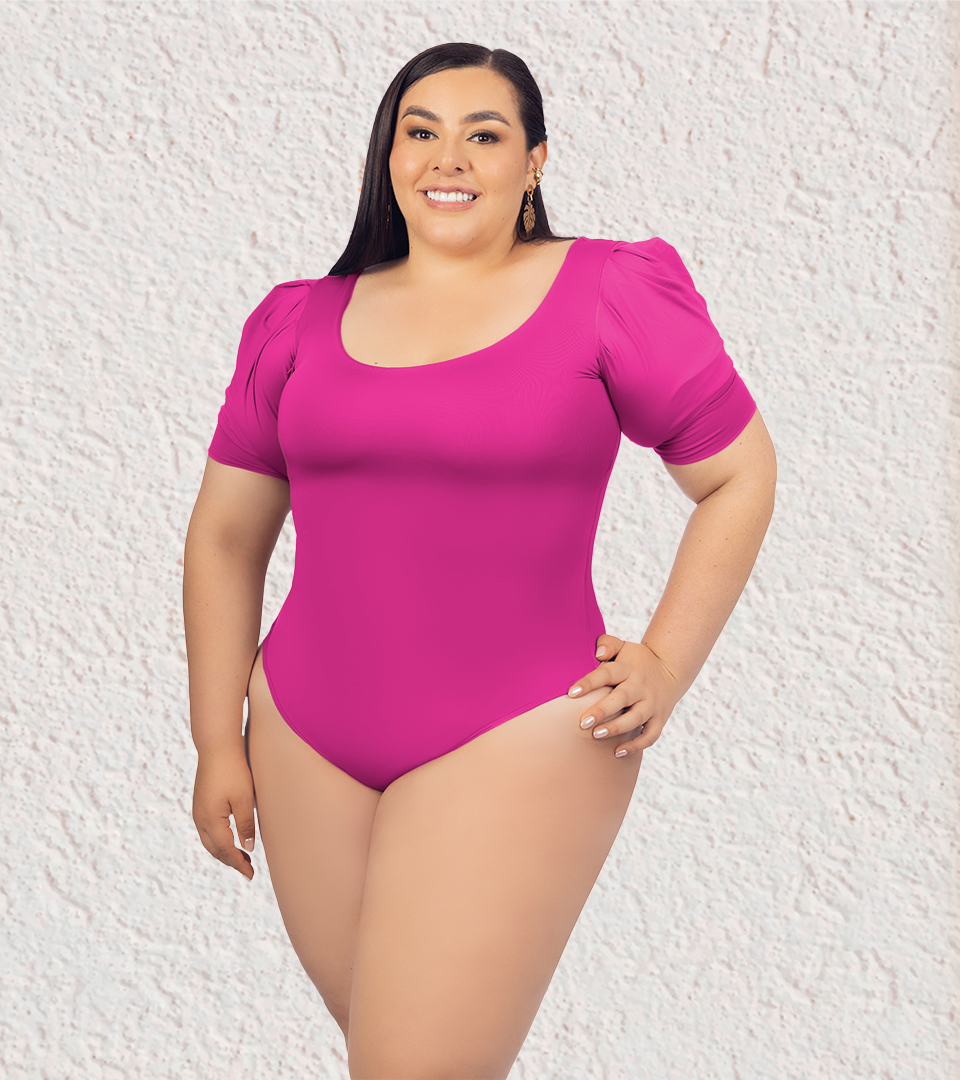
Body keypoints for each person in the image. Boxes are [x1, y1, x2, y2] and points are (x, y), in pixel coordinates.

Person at [183, 41, 776, 1080]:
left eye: (484, 134)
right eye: (421, 131)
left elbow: (739, 475)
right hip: (302, 735)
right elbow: (227, 535)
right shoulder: (296, 321)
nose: (447, 157)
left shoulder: (610, 292)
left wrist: (667, 662)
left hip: (523, 728)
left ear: (534, 160)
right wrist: (213, 741)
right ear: (389, 156)